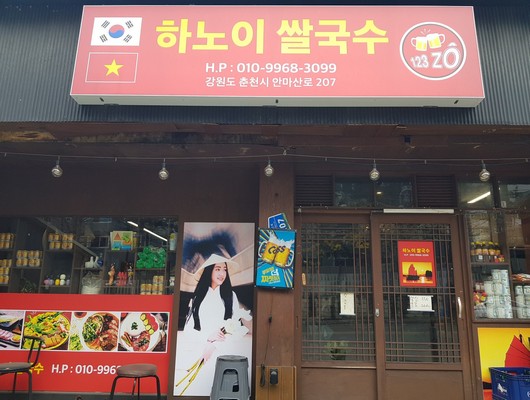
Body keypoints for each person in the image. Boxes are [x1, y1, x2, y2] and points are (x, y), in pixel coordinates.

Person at [183, 253, 252, 362]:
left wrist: (214, 346)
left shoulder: (231, 296)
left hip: (224, 352)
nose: (222, 273)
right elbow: (188, 330)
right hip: (201, 351)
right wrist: (207, 337)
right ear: (209, 271)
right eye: (218, 269)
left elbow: (236, 328)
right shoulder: (197, 298)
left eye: (224, 269)